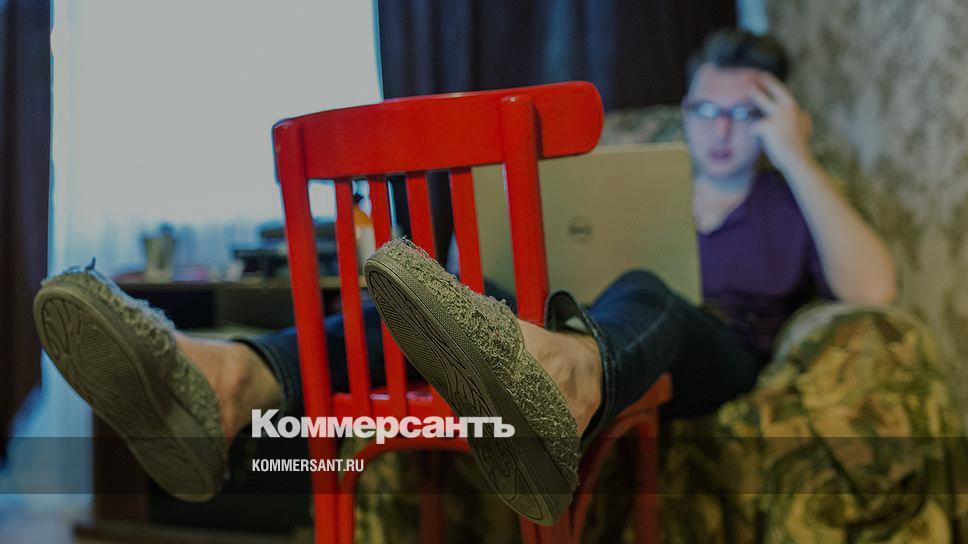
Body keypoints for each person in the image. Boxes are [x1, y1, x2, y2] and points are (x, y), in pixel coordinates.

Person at [33, 29, 895, 524]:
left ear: (778, 117)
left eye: (746, 113)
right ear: (686, 107)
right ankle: (232, 380)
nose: (722, 130)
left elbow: (876, 293)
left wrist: (797, 157)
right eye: (707, 108)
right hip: (588, 318)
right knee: (440, 301)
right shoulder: (633, 175)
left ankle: (567, 384)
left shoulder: (790, 199)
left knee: (647, 285)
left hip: (711, 359)